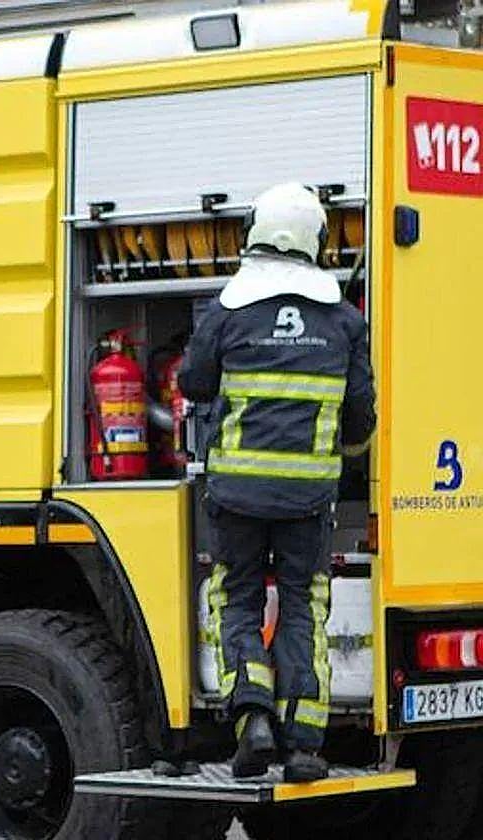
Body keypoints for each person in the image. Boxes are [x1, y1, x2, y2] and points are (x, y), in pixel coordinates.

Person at [179, 183, 376, 782]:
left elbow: (192, 383)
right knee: (302, 608)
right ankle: (304, 747)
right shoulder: (343, 321)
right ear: (316, 241)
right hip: (309, 500)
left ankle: (253, 721)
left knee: (236, 600)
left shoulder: (227, 311)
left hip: (235, 496)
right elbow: (362, 418)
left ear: (255, 236)